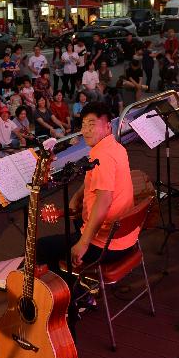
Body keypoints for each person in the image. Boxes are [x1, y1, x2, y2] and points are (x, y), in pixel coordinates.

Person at [36, 102, 137, 279]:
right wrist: (78, 195)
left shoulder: (102, 156)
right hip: (126, 236)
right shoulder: (115, 147)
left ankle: (72, 298)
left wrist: (83, 243)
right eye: (83, 125)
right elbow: (98, 179)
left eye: (92, 124)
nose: (86, 130)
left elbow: (103, 202)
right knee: (77, 219)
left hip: (107, 245)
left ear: (108, 126)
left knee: (42, 247)